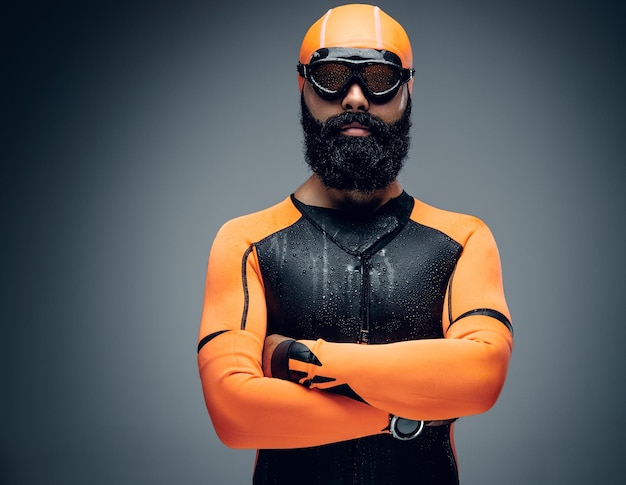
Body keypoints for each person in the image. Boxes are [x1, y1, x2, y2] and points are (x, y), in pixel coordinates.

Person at [197, 4, 513, 484]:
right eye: (333, 75)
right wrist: (403, 416)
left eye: (379, 78)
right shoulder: (246, 241)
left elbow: (482, 375)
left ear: (407, 90)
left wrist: (290, 356)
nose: (356, 98)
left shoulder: (463, 239)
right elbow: (233, 411)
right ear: (303, 88)